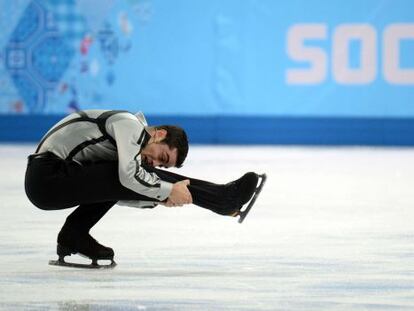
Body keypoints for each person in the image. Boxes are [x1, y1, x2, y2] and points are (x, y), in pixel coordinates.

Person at [24, 110, 264, 266]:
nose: (156, 162)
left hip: (51, 179)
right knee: (132, 172)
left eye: (163, 163)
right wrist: (167, 191)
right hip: (47, 177)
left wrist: (159, 198)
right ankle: (223, 198)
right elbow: (128, 177)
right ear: (159, 134)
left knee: (130, 172)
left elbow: (115, 190)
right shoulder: (129, 125)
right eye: (162, 155)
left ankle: (73, 236)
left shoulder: (129, 146)